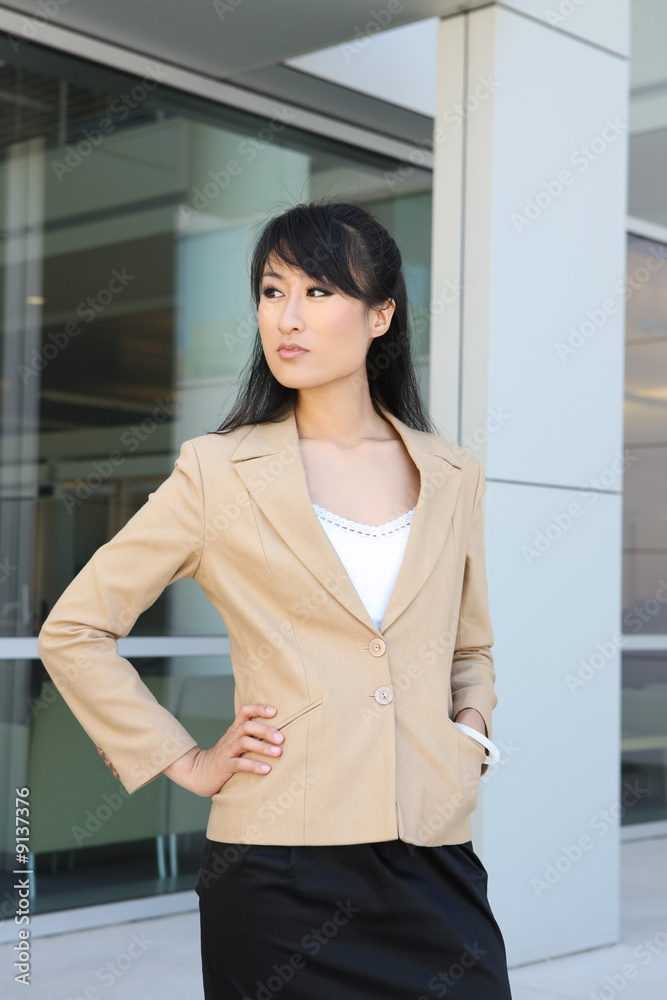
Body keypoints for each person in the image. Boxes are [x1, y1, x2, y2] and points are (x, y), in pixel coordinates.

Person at [37, 200, 513, 999]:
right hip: (276, 874)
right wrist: (182, 760)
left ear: (381, 315)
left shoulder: (451, 473)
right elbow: (76, 629)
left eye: (319, 292)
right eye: (270, 291)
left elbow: (469, 645)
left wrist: (471, 733)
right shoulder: (215, 472)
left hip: (431, 853)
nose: (286, 318)